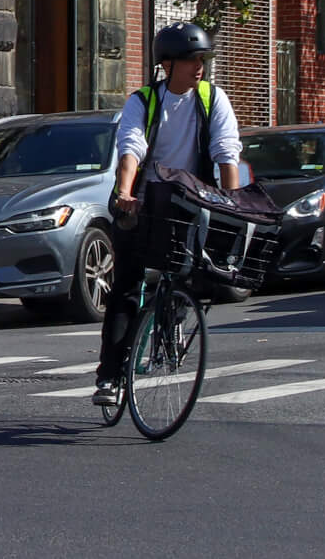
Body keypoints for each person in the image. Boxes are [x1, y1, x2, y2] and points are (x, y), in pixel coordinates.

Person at [93, 22, 241, 407]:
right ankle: (109, 377)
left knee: (196, 270)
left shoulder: (212, 99)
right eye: (191, 60)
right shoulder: (142, 101)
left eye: (202, 59)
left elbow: (227, 151)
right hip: (141, 203)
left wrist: (232, 200)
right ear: (167, 64)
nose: (199, 67)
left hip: (190, 202)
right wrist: (125, 193)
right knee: (126, 288)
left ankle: (175, 309)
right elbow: (131, 149)